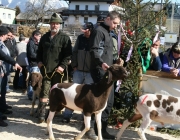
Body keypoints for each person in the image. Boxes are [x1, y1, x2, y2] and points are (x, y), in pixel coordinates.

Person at [62, 22, 97, 139]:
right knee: (72, 93)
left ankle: (84, 119)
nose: (84, 32)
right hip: (78, 71)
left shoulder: (95, 39)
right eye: (83, 30)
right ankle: (67, 115)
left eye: (86, 30)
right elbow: (75, 51)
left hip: (89, 73)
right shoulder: (80, 38)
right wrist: (74, 65)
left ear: (90, 30)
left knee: (87, 97)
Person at [89, 11, 121, 139]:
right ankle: (90, 128)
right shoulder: (99, 31)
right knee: (98, 101)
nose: (115, 26)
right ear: (108, 19)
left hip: (108, 72)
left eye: (117, 24)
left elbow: (107, 52)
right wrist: (101, 63)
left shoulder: (109, 32)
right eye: (114, 23)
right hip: (99, 71)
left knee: (109, 101)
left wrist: (115, 61)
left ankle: (102, 130)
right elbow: (94, 50)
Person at [37, 13, 72, 123]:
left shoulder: (65, 38)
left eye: (57, 24)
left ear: (60, 25)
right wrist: (39, 61)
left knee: (56, 93)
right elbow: (39, 52)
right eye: (52, 23)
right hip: (46, 70)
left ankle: (52, 113)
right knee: (44, 91)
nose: (54, 25)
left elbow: (68, 55)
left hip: (58, 72)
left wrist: (62, 66)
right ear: (50, 24)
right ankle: (41, 114)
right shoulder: (44, 37)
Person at [0, 26, 22, 127]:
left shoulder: (2, 43)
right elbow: (3, 56)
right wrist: (14, 63)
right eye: (6, 35)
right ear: (3, 35)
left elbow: (4, 56)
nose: (7, 37)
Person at [26, 30, 42, 100]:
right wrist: (39, 57)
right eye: (39, 36)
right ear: (35, 35)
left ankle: (35, 94)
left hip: (37, 63)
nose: (40, 37)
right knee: (32, 80)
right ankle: (30, 94)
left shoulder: (36, 43)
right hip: (33, 64)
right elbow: (31, 54)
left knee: (37, 80)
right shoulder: (31, 43)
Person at [4, 27, 18, 93]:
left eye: (11, 35)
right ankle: (5, 87)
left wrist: (14, 55)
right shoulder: (5, 41)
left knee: (8, 73)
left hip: (11, 58)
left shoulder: (12, 40)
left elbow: (14, 48)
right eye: (9, 35)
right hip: (5, 59)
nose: (10, 36)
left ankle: (6, 87)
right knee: (5, 73)